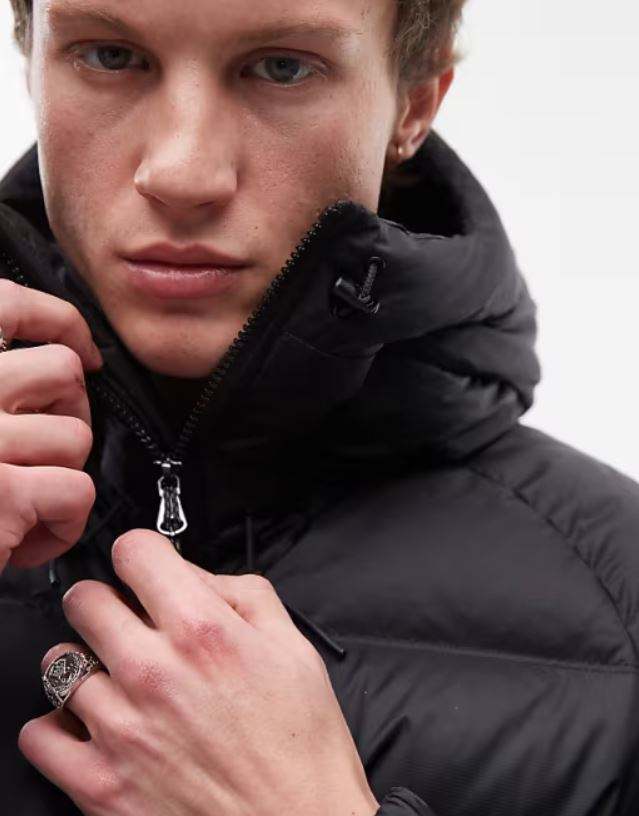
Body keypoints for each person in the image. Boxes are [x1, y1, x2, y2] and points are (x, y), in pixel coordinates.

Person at [1, 0, 638, 814]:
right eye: (110, 57)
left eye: (281, 68)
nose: (182, 173)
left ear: (414, 103)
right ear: (32, 63)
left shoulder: (622, 600)